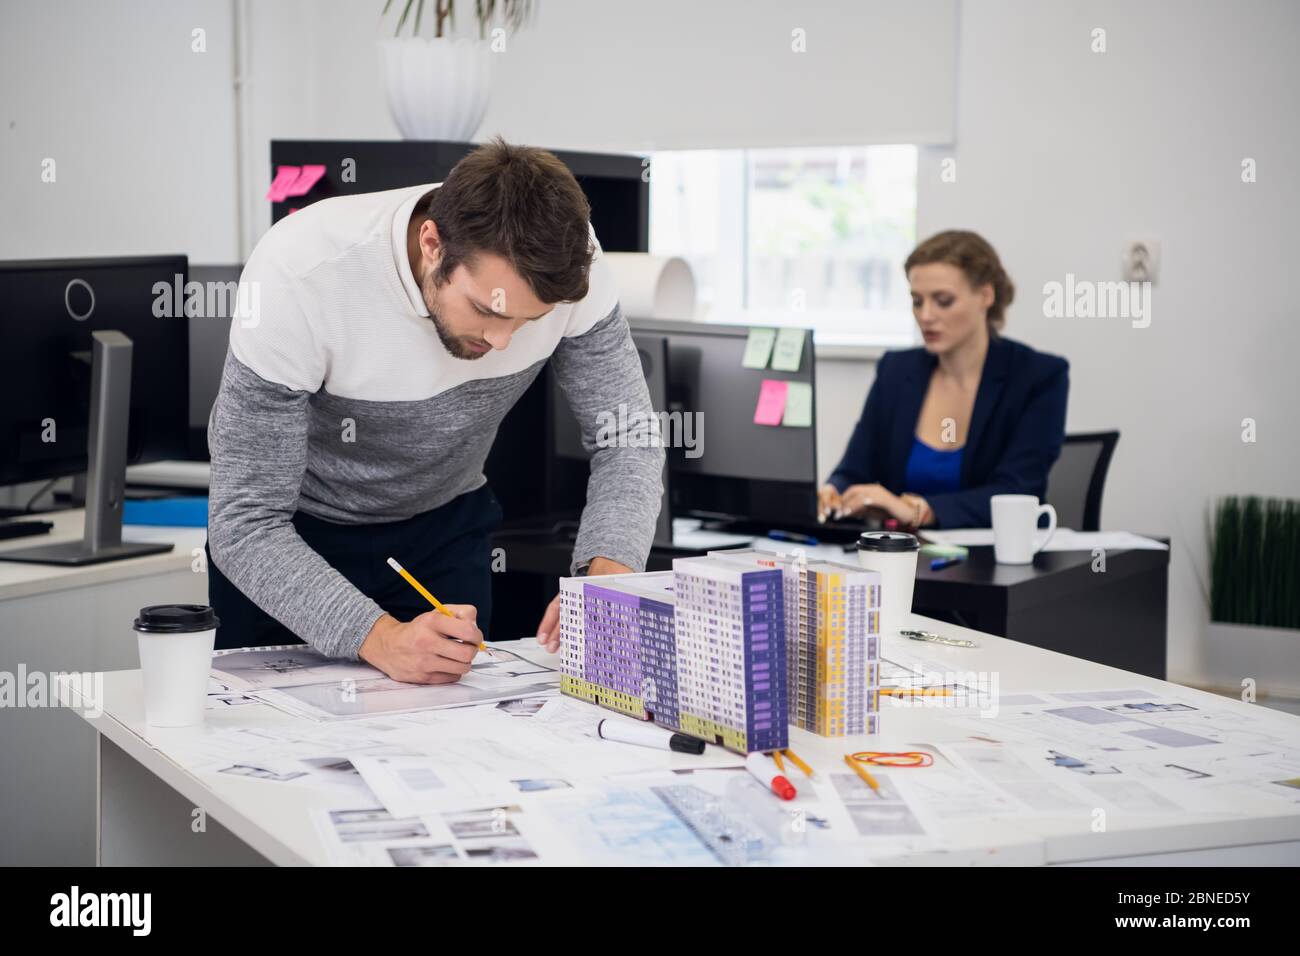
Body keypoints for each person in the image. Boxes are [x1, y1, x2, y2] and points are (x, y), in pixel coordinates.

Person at [206, 138, 663, 683]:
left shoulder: (572, 267)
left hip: (444, 529)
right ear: (432, 244)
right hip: (293, 545)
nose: (502, 342)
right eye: (484, 310)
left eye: (529, 321)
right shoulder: (301, 273)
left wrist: (607, 577)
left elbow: (628, 437)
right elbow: (244, 519)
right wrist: (380, 639)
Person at [819, 230, 1068, 530]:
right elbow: (854, 470)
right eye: (917, 301)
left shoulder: (1038, 377)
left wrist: (919, 510)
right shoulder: (896, 370)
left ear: (985, 296)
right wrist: (833, 491)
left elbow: (1017, 491)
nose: (926, 316)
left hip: (995, 565)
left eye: (943, 301)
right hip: (904, 559)